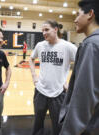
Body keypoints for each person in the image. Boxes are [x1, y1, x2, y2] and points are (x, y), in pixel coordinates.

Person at [29, 20, 77, 135]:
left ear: (56, 29)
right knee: (37, 123)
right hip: (40, 91)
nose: (44, 33)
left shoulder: (68, 47)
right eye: (42, 31)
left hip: (58, 93)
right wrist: (34, 76)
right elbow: (31, 59)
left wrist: (71, 83)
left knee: (58, 125)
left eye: (47, 30)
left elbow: (82, 63)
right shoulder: (40, 45)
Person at [59, 0, 99, 135]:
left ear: (90, 14)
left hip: (88, 126)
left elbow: (84, 95)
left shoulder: (91, 45)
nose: (75, 20)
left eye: (77, 15)